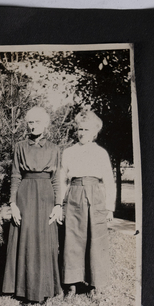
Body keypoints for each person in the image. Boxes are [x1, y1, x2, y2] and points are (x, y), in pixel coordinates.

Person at [1, 106, 63, 302]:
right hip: (25, 195)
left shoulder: (54, 148)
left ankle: (45, 288)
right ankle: (22, 289)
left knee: (44, 241)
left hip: (46, 196)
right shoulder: (20, 146)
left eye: (38, 122)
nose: (34, 126)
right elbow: (15, 175)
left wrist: (58, 205)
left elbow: (57, 178)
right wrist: (13, 204)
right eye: (30, 122)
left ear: (46, 124)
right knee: (26, 239)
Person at [61, 110, 116, 295]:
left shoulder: (101, 153)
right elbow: (62, 180)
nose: (82, 132)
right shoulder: (68, 152)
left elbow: (109, 181)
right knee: (72, 238)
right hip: (74, 193)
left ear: (94, 132)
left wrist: (109, 208)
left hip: (95, 195)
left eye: (86, 129)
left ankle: (94, 284)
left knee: (96, 238)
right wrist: (60, 205)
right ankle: (71, 284)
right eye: (79, 129)